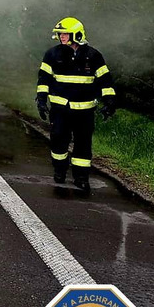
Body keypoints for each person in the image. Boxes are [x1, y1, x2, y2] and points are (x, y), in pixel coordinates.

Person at [35, 17, 116, 191]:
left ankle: (81, 177)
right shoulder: (52, 54)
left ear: (77, 34)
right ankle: (60, 172)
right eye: (60, 34)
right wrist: (41, 101)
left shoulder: (93, 56)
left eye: (65, 34)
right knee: (58, 142)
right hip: (60, 110)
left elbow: (105, 81)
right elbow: (44, 80)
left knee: (83, 145)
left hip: (85, 111)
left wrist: (109, 101)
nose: (62, 37)